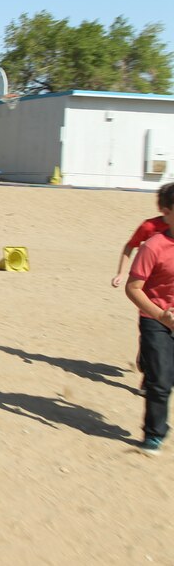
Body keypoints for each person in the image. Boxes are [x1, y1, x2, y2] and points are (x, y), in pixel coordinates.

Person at [124, 182, 174, 455]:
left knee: (167, 376)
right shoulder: (154, 246)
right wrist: (160, 315)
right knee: (160, 381)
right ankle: (155, 434)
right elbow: (132, 288)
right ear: (166, 212)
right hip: (155, 318)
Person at [112, 211, 170, 288]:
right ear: (166, 209)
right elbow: (130, 245)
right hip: (150, 279)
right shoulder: (149, 226)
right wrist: (121, 273)